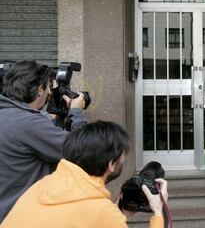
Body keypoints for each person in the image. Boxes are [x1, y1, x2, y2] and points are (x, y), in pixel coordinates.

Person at [1, 120, 167, 228]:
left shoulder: (42, 185)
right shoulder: (102, 212)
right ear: (111, 164)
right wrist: (159, 213)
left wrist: (118, 214)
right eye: (123, 157)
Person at [0, 61, 87, 221]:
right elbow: (83, 150)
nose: (49, 94)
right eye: (47, 88)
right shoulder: (28, 123)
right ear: (39, 90)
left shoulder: (7, 115)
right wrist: (76, 112)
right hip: (19, 218)